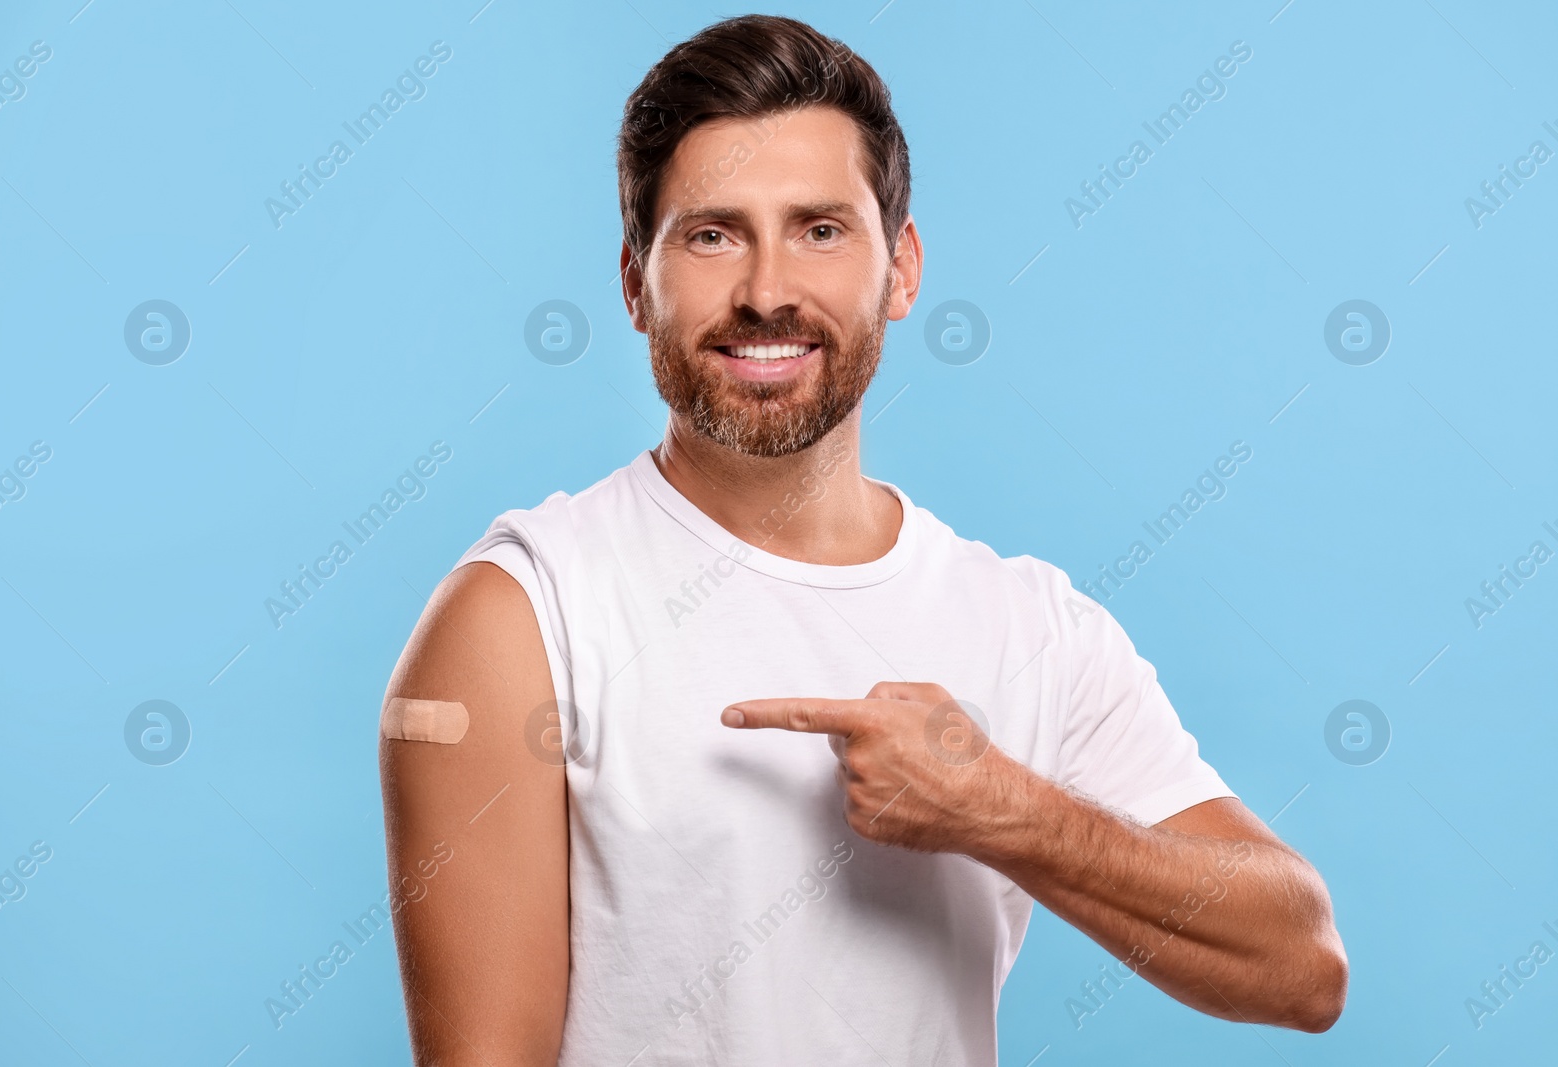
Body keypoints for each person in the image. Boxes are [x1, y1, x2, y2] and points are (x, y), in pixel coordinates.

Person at [378, 14, 1347, 1065]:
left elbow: (1301, 963)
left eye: (820, 229)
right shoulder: (524, 613)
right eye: (712, 233)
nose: (766, 291)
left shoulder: (1030, 625)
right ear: (632, 283)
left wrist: (1002, 809)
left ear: (901, 269)